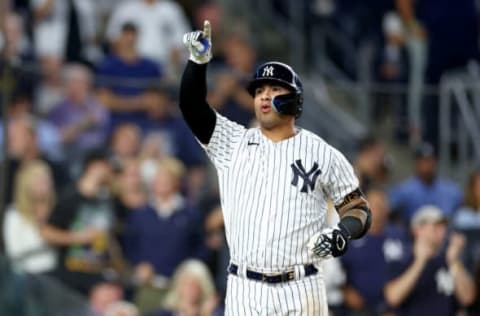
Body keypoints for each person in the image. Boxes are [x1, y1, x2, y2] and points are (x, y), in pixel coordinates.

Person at [179, 21, 372, 315]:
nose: (265, 96)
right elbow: (193, 107)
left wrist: (341, 234)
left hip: (301, 286)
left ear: (296, 100)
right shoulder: (233, 142)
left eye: (274, 89)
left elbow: (357, 206)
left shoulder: (322, 152)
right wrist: (197, 63)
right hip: (245, 286)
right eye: (259, 91)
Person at [384, 205, 476, 315]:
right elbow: (393, 298)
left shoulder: (450, 259)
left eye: (443, 225)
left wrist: (454, 261)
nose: (442, 230)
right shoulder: (401, 259)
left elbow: (468, 298)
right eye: (435, 225)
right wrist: (419, 262)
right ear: (417, 229)